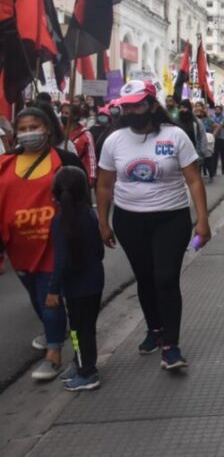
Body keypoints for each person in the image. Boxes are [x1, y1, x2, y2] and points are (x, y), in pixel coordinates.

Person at [97, 80, 212, 371]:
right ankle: (154, 329)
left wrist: (202, 220)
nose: (133, 111)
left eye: (138, 104)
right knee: (145, 278)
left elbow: (194, 179)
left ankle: (171, 346)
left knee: (165, 278)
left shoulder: (175, 136)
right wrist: (103, 222)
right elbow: (105, 185)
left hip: (170, 218)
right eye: (127, 107)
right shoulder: (113, 141)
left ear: (151, 104)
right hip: (128, 220)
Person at [0, 107, 85, 381]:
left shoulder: (65, 160)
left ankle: (54, 352)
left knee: (49, 299)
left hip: (55, 247)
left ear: (47, 128)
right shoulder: (5, 164)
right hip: (20, 250)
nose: (28, 134)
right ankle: (54, 331)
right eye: (22, 129)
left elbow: (82, 202)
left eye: (33, 127)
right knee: (37, 298)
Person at [47, 167, 105, 391]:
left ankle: (87, 371)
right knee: (86, 327)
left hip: (75, 288)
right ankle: (82, 362)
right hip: (94, 281)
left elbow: (60, 260)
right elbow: (99, 251)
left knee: (78, 331)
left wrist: (53, 289)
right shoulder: (89, 214)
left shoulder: (60, 221)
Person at [62, 104, 97, 188]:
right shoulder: (59, 132)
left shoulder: (85, 134)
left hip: (79, 176)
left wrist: (91, 178)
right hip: (61, 176)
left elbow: (91, 158)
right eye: (62, 113)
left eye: (66, 113)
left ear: (75, 116)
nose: (63, 116)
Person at [195, 102, 217, 183]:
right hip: (196, 142)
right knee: (198, 161)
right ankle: (198, 179)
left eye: (199, 106)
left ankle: (211, 175)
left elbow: (216, 126)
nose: (197, 108)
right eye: (196, 106)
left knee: (207, 160)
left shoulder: (208, 120)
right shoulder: (192, 119)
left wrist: (213, 135)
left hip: (206, 141)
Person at [211, 105, 224, 175]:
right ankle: (214, 170)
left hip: (223, 138)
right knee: (215, 155)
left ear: (221, 111)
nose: (217, 111)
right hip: (215, 138)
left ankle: (223, 169)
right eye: (216, 110)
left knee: (223, 155)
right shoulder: (212, 118)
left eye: (218, 110)